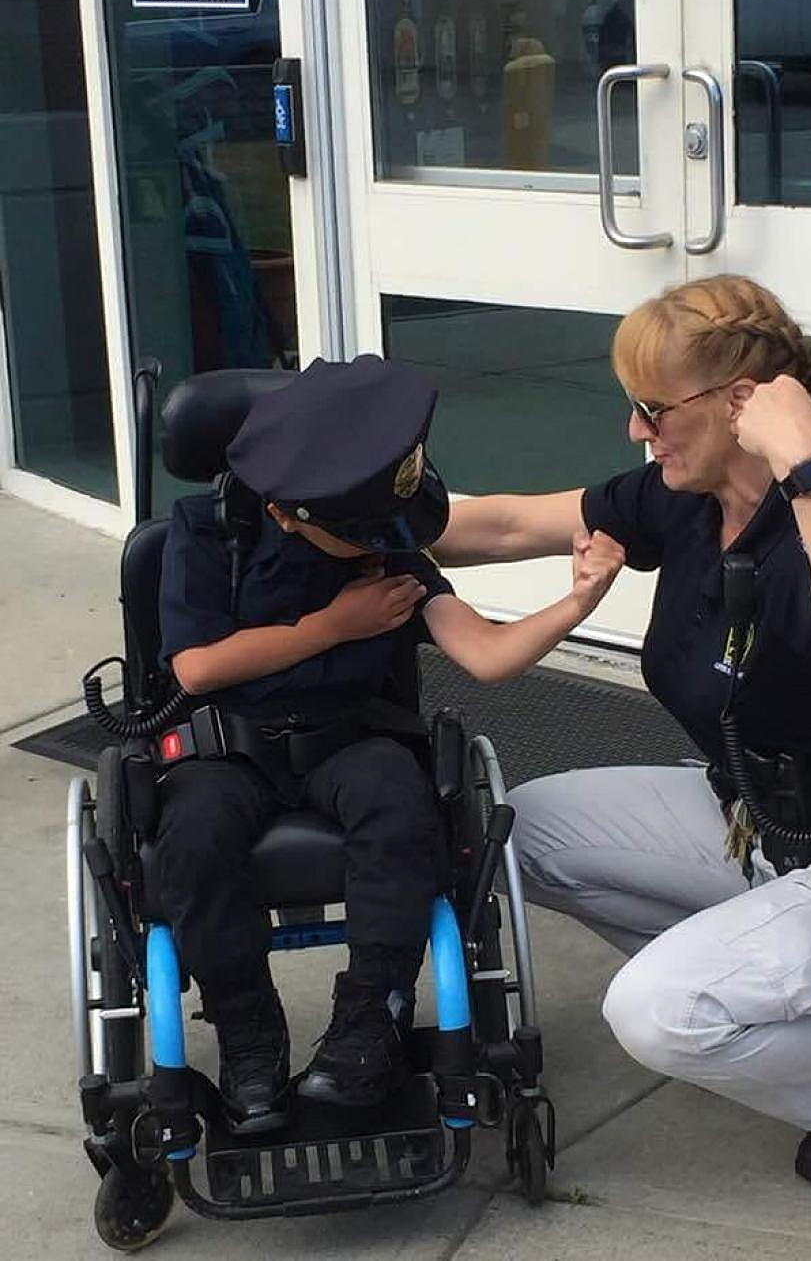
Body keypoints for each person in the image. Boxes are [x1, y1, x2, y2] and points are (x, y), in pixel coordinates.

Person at [432, 274, 811, 1189]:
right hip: (757, 824)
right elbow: (508, 524)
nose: (636, 432)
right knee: (521, 835)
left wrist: (810, 465)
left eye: (651, 408)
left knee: (655, 1014)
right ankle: (770, 994)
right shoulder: (678, 498)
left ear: (740, 405)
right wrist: (342, 516)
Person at [155, 354, 623, 1134]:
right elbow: (197, 668)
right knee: (195, 837)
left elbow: (487, 655)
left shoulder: (391, 554)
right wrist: (332, 628)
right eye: (364, 532)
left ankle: (367, 1023)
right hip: (229, 748)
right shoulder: (204, 537)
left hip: (349, 740)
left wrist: (580, 601)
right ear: (285, 513)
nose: (384, 545)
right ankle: (248, 1038)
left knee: (400, 806)